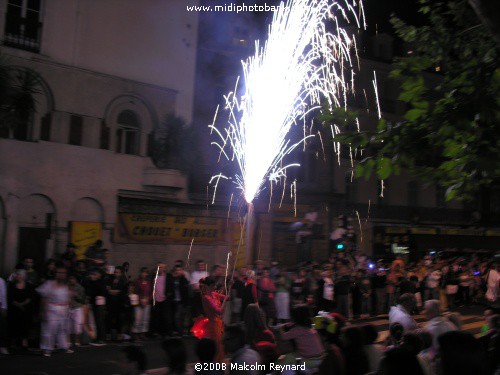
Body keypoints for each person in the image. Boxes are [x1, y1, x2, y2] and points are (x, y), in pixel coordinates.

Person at [36, 264, 72, 357]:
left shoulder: (66, 285)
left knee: (63, 329)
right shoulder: (49, 284)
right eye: (59, 273)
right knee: (49, 329)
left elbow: (68, 298)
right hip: (52, 309)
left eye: (63, 273)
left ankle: (63, 346)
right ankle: (47, 349)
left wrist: (68, 309)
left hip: (64, 309)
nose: (61, 275)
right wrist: (43, 311)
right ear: (55, 274)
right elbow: (44, 298)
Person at [279, 304, 325, 369]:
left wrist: (280, 328)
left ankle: (273, 370)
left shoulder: (297, 330)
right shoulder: (311, 327)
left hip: (308, 359)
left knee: (282, 359)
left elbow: (283, 337)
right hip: (321, 357)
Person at [200, 276, 229, 362]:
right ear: (209, 286)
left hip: (218, 323)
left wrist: (227, 286)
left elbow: (225, 296)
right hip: (213, 324)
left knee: (220, 344)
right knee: (217, 345)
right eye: (213, 285)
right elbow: (219, 311)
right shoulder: (206, 298)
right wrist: (225, 301)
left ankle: (219, 364)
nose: (215, 287)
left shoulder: (213, 294)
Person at [8, 269, 34, 349]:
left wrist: (23, 304)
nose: (18, 276)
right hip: (14, 309)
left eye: (19, 275)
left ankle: (24, 341)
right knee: (14, 325)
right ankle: (13, 341)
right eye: (17, 275)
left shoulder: (29, 286)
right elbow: (10, 297)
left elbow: (30, 297)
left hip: (25, 309)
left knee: (25, 324)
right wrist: (18, 304)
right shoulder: (12, 285)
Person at [133, 267, 152, 341]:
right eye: (143, 272)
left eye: (146, 272)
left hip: (147, 303)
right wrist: (141, 300)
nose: (144, 274)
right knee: (138, 319)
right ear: (141, 273)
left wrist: (147, 299)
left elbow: (151, 292)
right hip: (139, 303)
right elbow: (135, 292)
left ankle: (143, 333)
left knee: (145, 319)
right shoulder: (137, 281)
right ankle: (136, 334)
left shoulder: (149, 282)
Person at [67, 274, 85, 347]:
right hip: (69, 307)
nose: (71, 280)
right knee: (70, 326)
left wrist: (75, 294)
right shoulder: (66, 287)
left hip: (77, 308)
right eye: (70, 279)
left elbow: (82, 299)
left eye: (73, 279)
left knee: (77, 325)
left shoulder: (80, 288)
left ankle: (78, 342)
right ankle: (71, 342)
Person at [0, 276, 9, 355]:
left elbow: (3, 295)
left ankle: (2, 346)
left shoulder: (1, 281)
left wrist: (3, 307)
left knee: (2, 327)